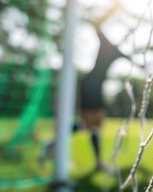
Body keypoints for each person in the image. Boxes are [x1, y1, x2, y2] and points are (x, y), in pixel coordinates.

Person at [41, 20, 129, 172]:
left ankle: (53, 145)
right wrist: (112, 9)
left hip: (96, 87)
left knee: (92, 125)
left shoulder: (118, 52)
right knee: (92, 124)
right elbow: (98, 25)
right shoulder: (106, 43)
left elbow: (134, 60)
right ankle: (97, 162)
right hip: (90, 86)